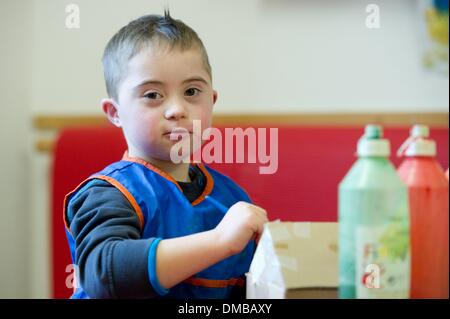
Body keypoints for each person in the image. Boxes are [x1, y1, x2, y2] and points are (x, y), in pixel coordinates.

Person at [64, 10, 269, 299]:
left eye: (192, 91)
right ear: (115, 112)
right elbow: (102, 274)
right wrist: (220, 240)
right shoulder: (108, 194)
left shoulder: (233, 200)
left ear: (211, 102)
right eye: (152, 95)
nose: (177, 109)